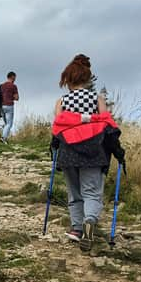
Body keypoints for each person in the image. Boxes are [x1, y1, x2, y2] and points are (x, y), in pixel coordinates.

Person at [50, 54, 122, 252]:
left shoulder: (62, 101)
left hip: (68, 152)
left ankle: (76, 228)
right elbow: (107, 124)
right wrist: (117, 150)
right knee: (91, 192)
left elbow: (57, 128)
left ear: (67, 79)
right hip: (93, 151)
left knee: (74, 193)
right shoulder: (97, 99)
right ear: (88, 78)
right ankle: (90, 222)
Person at [0, 71, 18, 142]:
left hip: (1, 106)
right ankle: (3, 138)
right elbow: (17, 98)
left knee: (6, 124)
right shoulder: (13, 86)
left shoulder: (2, 86)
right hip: (9, 106)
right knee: (9, 124)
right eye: (15, 78)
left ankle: (4, 138)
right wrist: (11, 97)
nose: (15, 79)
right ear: (12, 77)